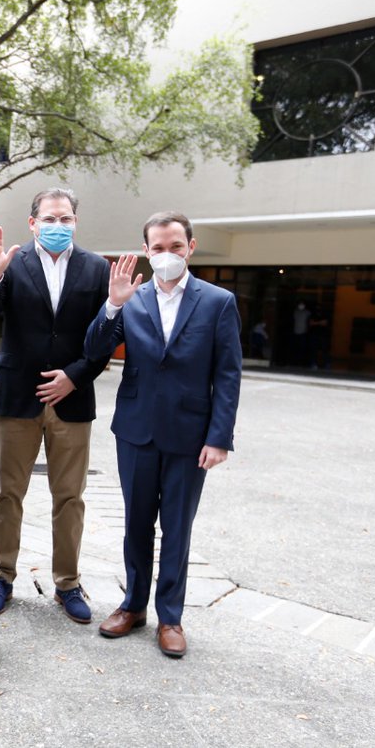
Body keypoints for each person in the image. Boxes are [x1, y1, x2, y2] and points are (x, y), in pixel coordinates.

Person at [83, 211, 241, 658]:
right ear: (146, 251)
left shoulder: (218, 301)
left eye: (175, 246)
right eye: (158, 248)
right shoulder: (130, 298)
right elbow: (94, 350)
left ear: (190, 247)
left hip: (191, 434)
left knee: (177, 528)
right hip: (136, 430)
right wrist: (112, 305)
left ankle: (170, 617)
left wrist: (219, 437)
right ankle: (133, 606)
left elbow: (228, 374)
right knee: (136, 523)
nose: (167, 254)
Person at [0, 188, 111, 623]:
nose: (58, 226)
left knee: (70, 497)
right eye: (50, 219)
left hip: (73, 397)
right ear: (33, 223)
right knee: (7, 493)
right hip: (18, 395)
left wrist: (75, 376)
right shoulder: (12, 263)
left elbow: (106, 336)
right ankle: (2, 576)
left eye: (65, 218)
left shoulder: (96, 268)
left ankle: (67, 583)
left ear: (75, 222)